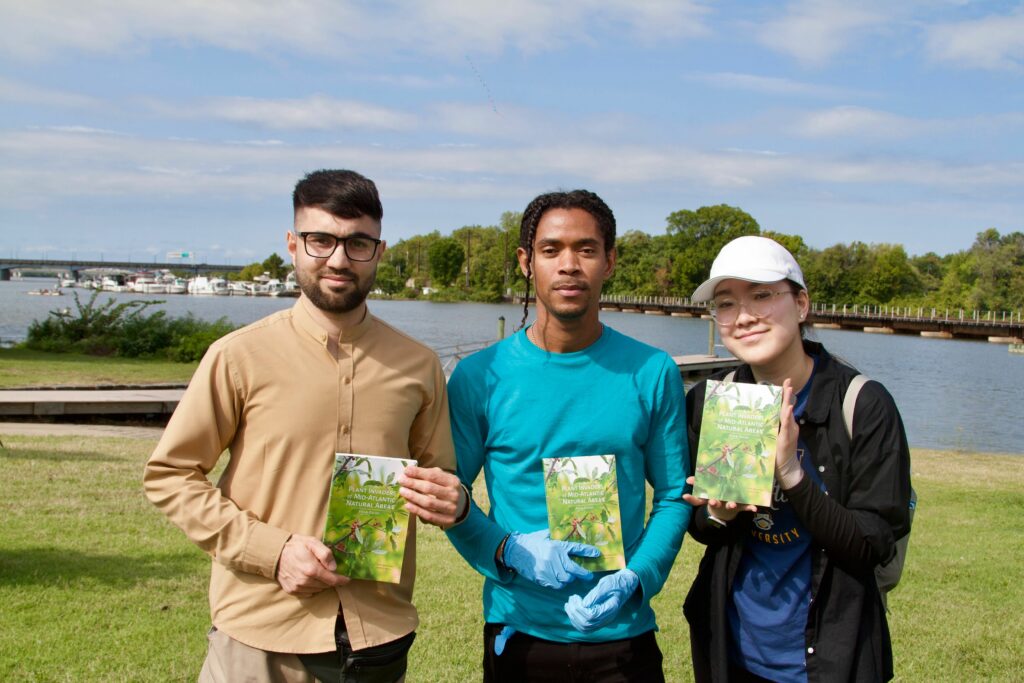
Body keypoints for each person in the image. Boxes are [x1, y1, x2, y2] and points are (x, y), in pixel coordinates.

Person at [143, 169, 468, 683]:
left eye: (358, 243)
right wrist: (272, 553)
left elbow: (440, 480)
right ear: (293, 245)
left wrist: (452, 500)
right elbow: (170, 476)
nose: (339, 259)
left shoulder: (419, 365)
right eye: (321, 240)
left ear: (379, 252)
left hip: (376, 640)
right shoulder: (237, 357)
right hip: (259, 640)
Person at [444, 189, 691, 682]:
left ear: (610, 261)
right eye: (551, 250)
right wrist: (506, 550)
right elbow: (451, 495)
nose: (569, 265)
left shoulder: (652, 371)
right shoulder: (479, 376)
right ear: (525, 262)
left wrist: (636, 578)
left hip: (623, 638)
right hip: (519, 636)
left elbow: (672, 496)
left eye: (587, 249)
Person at [682, 235, 913, 682]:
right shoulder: (713, 401)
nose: (744, 316)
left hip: (829, 659)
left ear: (801, 304)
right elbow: (701, 529)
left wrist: (791, 474)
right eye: (726, 304)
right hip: (731, 655)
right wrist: (718, 515)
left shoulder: (862, 405)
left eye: (763, 296)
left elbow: (872, 546)